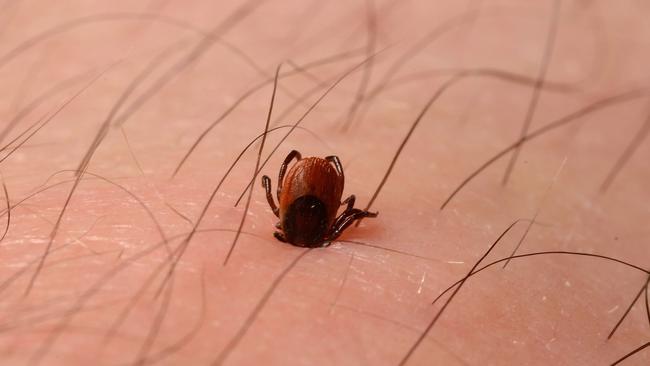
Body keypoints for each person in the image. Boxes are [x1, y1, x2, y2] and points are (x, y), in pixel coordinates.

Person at [0, 0, 647, 364]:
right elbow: (340, 206)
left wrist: (298, 198)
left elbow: (313, 202)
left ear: (287, 211)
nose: (310, 223)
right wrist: (343, 217)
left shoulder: (294, 212)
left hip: (304, 179)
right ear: (298, 214)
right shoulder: (317, 216)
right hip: (310, 180)